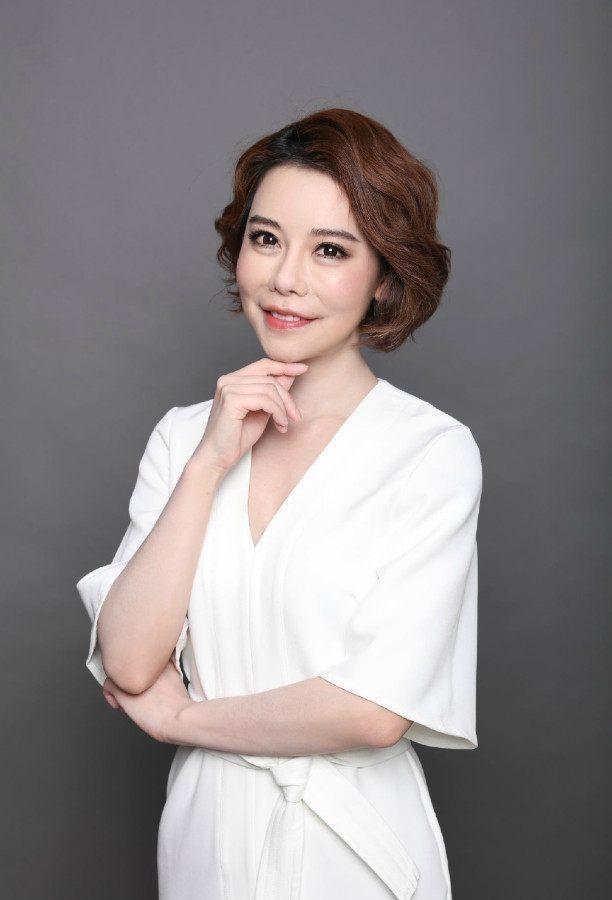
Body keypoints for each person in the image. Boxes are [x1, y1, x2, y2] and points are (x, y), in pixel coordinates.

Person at [77, 108, 483, 900]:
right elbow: (127, 659)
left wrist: (180, 720)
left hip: (354, 849)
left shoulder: (428, 452)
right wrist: (208, 465)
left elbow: (374, 710)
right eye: (266, 239)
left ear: (384, 276)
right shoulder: (185, 437)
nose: (285, 278)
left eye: (330, 250)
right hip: (204, 840)